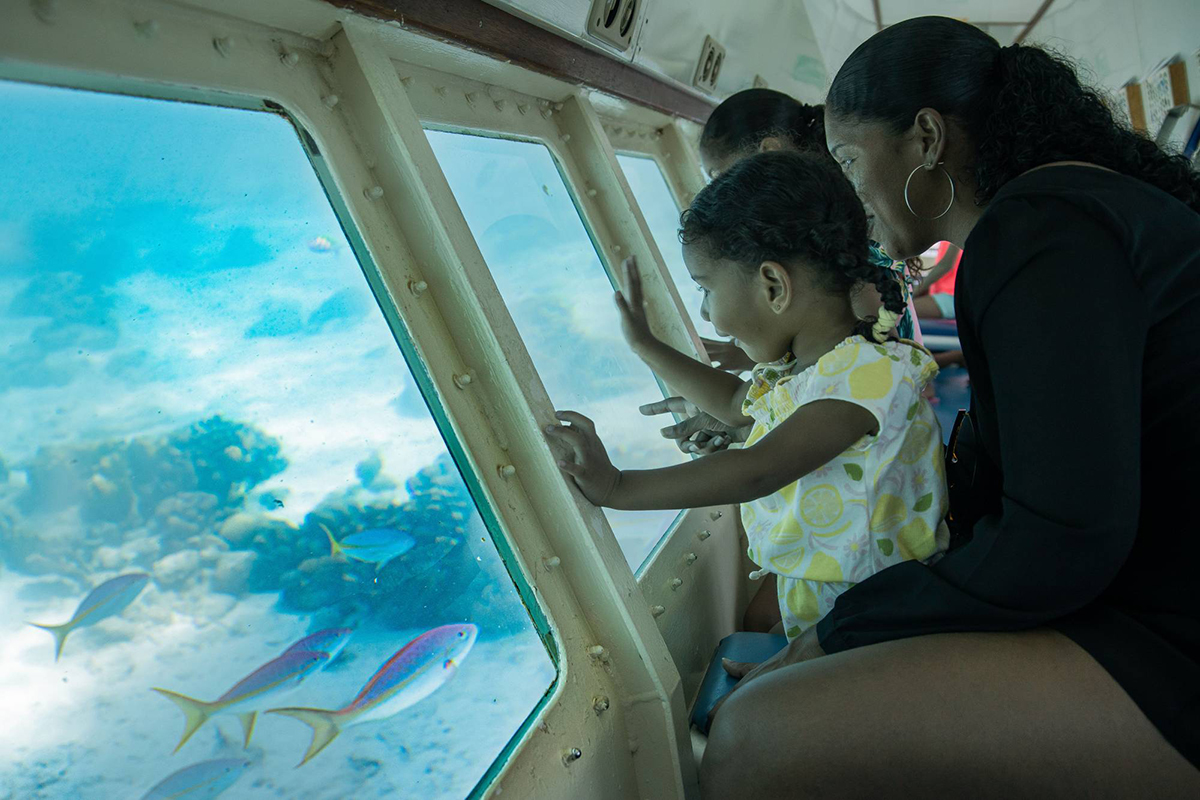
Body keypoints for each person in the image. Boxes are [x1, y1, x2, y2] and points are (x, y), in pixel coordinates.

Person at [700, 16, 1200, 799]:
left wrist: (844, 629)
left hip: (1169, 641)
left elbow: (1064, 542)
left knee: (750, 739)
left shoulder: (1039, 233)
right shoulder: (1066, 214)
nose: (852, 193)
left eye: (849, 160)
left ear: (926, 139)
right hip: (1146, 594)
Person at [546, 150, 949, 643]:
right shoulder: (809, 369)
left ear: (774, 286)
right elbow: (738, 402)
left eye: (706, 290)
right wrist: (647, 347)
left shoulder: (865, 379)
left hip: (875, 607)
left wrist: (617, 488)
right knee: (755, 623)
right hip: (836, 584)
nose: (706, 312)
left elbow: (758, 469)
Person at [646, 89, 925, 457]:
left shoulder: (843, 267)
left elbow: (846, 377)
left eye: (721, 176)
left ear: (769, 153)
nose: (723, 193)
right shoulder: (836, 236)